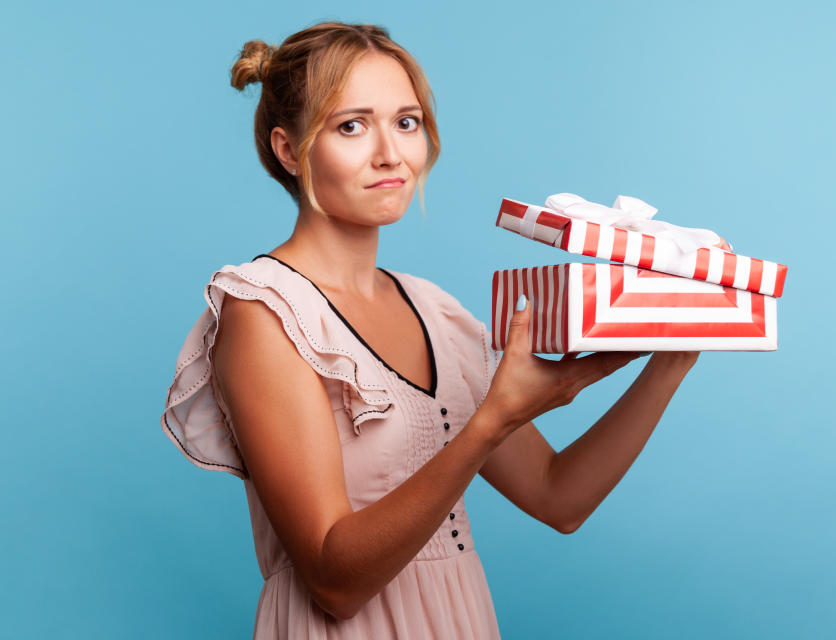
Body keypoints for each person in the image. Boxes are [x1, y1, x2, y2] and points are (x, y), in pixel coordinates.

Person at [161, 21, 707, 640]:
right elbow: (334, 582)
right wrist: (489, 423)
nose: (391, 153)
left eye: (406, 121)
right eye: (351, 125)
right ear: (289, 150)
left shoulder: (435, 312)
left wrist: (672, 358)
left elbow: (560, 498)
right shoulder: (266, 314)